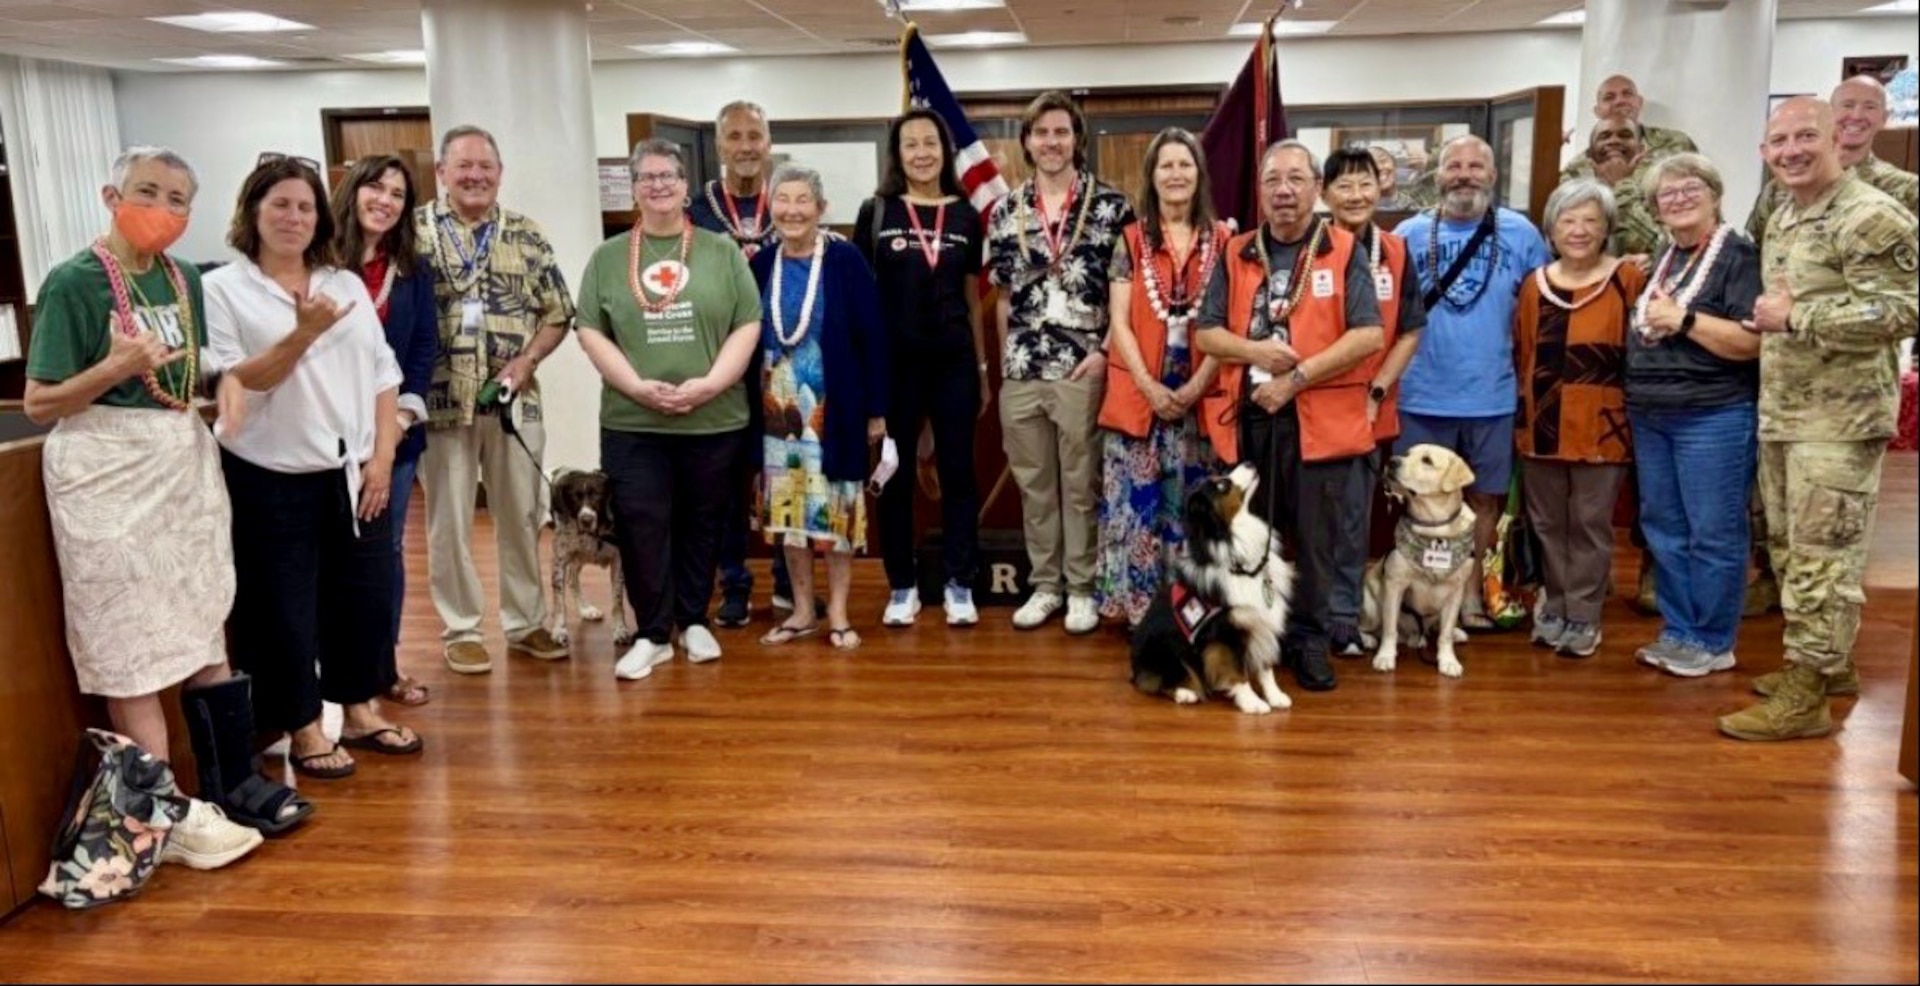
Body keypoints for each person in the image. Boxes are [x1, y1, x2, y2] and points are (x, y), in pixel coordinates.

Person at [24, 146, 302, 858]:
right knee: (132, 647)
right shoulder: (75, 283)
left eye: (180, 199)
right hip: (106, 472)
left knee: (200, 622)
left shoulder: (184, 280)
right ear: (111, 192)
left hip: (179, 465)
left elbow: (189, 376)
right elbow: (39, 401)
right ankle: (163, 815)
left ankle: (226, 783)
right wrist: (116, 365)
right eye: (149, 192)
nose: (165, 209)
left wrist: (225, 390)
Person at [204, 153, 423, 783]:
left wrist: (381, 459)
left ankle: (358, 706)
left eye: (305, 206)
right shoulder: (222, 290)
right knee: (284, 608)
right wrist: (299, 335)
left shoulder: (344, 281)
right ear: (251, 212)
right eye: (280, 205)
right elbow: (237, 383)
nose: (294, 218)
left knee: (363, 594)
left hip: (351, 469)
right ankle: (301, 725)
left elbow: (384, 373)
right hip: (269, 476)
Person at [1718, 97, 1918, 742]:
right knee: (1792, 549)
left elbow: (1902, 311)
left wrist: (1796, 319)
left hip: (1840, 419)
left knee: (1822, 560)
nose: (1792, 150)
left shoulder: (1870, 215)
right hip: (1788, 411)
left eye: (1807, 136)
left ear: (1840, 139)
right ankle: (1830, 668)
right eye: (1779, 140)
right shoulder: (1786, 210)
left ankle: (1807, 697)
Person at [1196, 140, 1385, 692]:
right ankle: (1256, 637)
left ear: (1315, 188)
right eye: (1273, 180)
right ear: (1259, 189)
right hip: (1250, 420)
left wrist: (1295, 379)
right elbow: (1206, 332)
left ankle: (1309, 639)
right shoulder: (1236, 252)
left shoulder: (1344, 249)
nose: (1284, 190)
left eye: (1296, 179)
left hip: (1319, 420)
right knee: (1254, 536)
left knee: (1315, 540)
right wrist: (1256, 353)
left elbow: (1369, 333)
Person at [575, 139, 760, 679]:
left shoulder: (721, 250)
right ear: (633, 188)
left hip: (713, 417)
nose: (658, 185)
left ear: (685, 186)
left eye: (669, 176)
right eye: (647, 177)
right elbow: (590, 329)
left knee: (705, 520)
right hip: (634, 422)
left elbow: (746, 324)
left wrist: (708, 385)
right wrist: (636, 386)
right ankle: (653, 632)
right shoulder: (608, 257)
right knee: (642, 524)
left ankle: (694, 620)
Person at [415, 126, 574, 675]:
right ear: (441, 171)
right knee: (449, 520)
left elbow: (559, 312)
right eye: (463, 166)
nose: (475, 176)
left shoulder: (527, 235)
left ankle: (525, 621)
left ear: (500, 173)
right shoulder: (412, 233)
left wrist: (527, 361)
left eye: (485, 166)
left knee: (522, 512)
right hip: (440, 403)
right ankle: (461, 628)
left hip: (513, 400)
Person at [986, 90, 1136, 635]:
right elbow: (1001, 295)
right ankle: (1045, 585)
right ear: (1026, 141)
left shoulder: (1112, 207)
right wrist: (1005, 364)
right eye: (1041, 133)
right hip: (1022, 368)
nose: (1051, 142)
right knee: (1035, 484)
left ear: (1077, 138)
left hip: (1082, 366)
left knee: (1081, 483)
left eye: (1061, 132)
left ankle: (1082, 588)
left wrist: (1104, 355)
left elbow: (1130, 296)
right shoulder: (1005, 210)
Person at [1392, 136, 1553, 629]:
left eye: (1475, 166)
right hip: (1421, 393)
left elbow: (1542, 312)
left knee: (1483, 499)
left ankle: (1467, 599)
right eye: (1454, 166)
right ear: (1437, 176)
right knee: (1417, 501)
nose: (1464, 174)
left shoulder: (1523, 235)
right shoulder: (1407, 235)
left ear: (1493, 175)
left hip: (1493, 396)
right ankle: (1419, 602)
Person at [1625, 153, 1763, 678]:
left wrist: (1682, 318)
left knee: (1714, 532)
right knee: (1664, 527)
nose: (1679, 199)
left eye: (1690, 189)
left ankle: (1712, 638)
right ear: (1656, 209)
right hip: (1652, 414)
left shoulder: (1738, 257)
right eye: (1668, 194)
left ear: (1714, 194)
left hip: (1713, 416)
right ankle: (1679, 631)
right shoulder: (1668, 256)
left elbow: (1750, 343)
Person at [854, 109, 988, 628]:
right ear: (898, 154)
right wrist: (870, 378)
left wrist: (979, 368)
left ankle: (959, 582)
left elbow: (973, 297)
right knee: (897, 475)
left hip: (953, 360)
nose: (921, 153)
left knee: (958, 473)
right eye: (910, 145)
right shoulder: (879, 210)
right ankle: (902, 584)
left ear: (944, 149)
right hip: (895, 365)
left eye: (930, 143)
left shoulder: (966, 215)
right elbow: (865, 300)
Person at [1095, 127, 1230, 629]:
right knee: (1139, 508)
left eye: (1185, 164)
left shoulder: (1227, 242)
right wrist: (1150, 388)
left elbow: (1233, 323)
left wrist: (1194, 388)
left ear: (1200, 174)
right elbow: (1121, 322)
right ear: (1151, 177)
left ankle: (1193, 613)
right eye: (1165, 166)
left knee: (1193, 510)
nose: (1176, 174)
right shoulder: (1129, 240)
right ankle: (1142, 616)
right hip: (1139, 392)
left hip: (1203, 393)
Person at [752, 164, 890, 651]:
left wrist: (876, 409)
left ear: (821, 208)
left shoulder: (845, 259)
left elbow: (872, 336)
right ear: (771, 208)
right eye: (782, 200)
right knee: (789, 517)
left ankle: (837, 613)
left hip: (836, 408)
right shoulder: (762, 263)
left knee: (835, 514)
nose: (792, 210)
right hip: (775, 409)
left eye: (802, 200)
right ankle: (802, 611)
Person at [1513, 179, 1644, 658]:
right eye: (1568, 220)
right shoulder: (1536, 284)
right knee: (1547, 522)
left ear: (1607, 227)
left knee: (1589, 523)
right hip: (1541, 422)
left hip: (1603, 424)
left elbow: (1640, 351)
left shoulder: (1628, 278)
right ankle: (1556, 607)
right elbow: (1522, 351)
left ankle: (1584, 615)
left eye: (1590, 220)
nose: (1579, 230)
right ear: (1551, 229)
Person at [330, 154, 437, 708]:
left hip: (392, 439)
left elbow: (422, 351)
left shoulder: (414, 273)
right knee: (327, 554)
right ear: (353, 192)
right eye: (376, 187)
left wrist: (396, 422)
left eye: (398, 194)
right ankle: (328, 674)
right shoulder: (316, 263)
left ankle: (382, 667)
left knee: (383, 552)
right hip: (322, 439)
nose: (386, 201)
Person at [692, 99, 799, 627]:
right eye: (734, 137)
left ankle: (787, 581)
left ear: (768, 142)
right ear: (719, 146)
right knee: (727, 482)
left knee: (784, 473)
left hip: (784, 367)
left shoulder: (790, 204)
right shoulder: (698, 211)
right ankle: (733, 582)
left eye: (754, 136)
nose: (746, 147)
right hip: (720, 370)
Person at [1318, 148, 1428, 658]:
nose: (1356, 195)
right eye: (1343, 185)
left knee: (1355, 518)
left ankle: (1345, 617)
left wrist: (1378, 390)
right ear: (1324, 195)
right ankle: (1308, 615)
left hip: (1369, 409)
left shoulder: (1396, 251)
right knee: (1311, 519)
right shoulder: (1309, 248)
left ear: (1380, 188)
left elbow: (1410, 330)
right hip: (1313, 406)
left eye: (1364, 184)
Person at [1748, 76, 1918, 243]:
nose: (1857, 115)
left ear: (1884, 118)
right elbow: (1754, 251)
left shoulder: (1907, 188)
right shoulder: (1780, 188)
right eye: (1847, 105)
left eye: (1870, 107)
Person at [1558, 74, 1699, 184]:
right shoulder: (1580, 165)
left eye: (1627, 94)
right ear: (1597, 111)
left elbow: (1702, 189)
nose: (1619, 101)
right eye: (1609, 97)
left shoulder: (1676, 143)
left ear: (1639, 102)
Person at [1562, 115, 1662, 259]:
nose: (1614, 141)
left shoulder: (1659, 184)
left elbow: (1659, 245)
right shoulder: (1572, 183)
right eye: (1605, 136)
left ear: (1641, 149)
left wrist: (1620, 187)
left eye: (1625, 135)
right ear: (1589, 152)